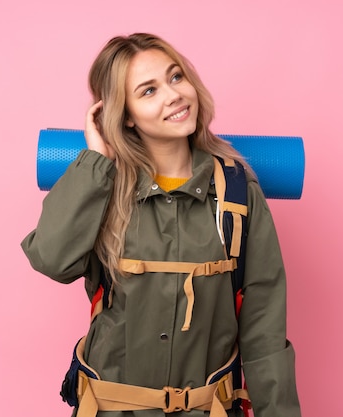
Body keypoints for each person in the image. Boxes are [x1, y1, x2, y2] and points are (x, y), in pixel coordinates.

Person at [21, 33, 301, 417]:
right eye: (148, 91)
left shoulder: (238, 194)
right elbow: (52, 260)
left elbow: (264, 330)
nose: (173, 95)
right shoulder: (101, 186)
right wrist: (94, 161)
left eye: (176, 77)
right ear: (125, 115)